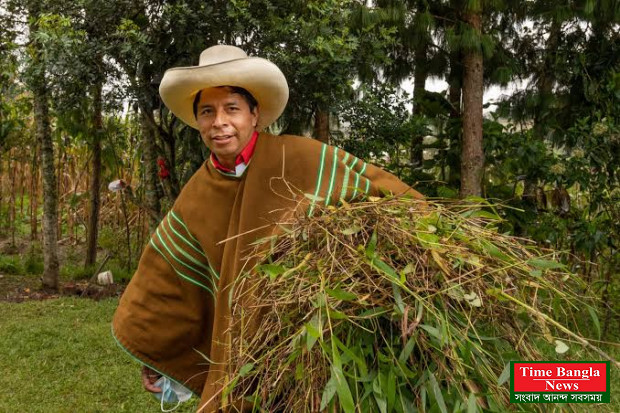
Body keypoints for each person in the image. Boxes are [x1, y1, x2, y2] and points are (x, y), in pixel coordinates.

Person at [112, 45, 423, 412]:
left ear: (254, 114)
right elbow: (168, 278)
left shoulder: (302, 158)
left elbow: (380, 191)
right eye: (207, 112)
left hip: (313, 345)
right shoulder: (197, 195)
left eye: (232, 108)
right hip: (243, 350)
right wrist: (157, 352)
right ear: (197, 121)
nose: (219, 122)